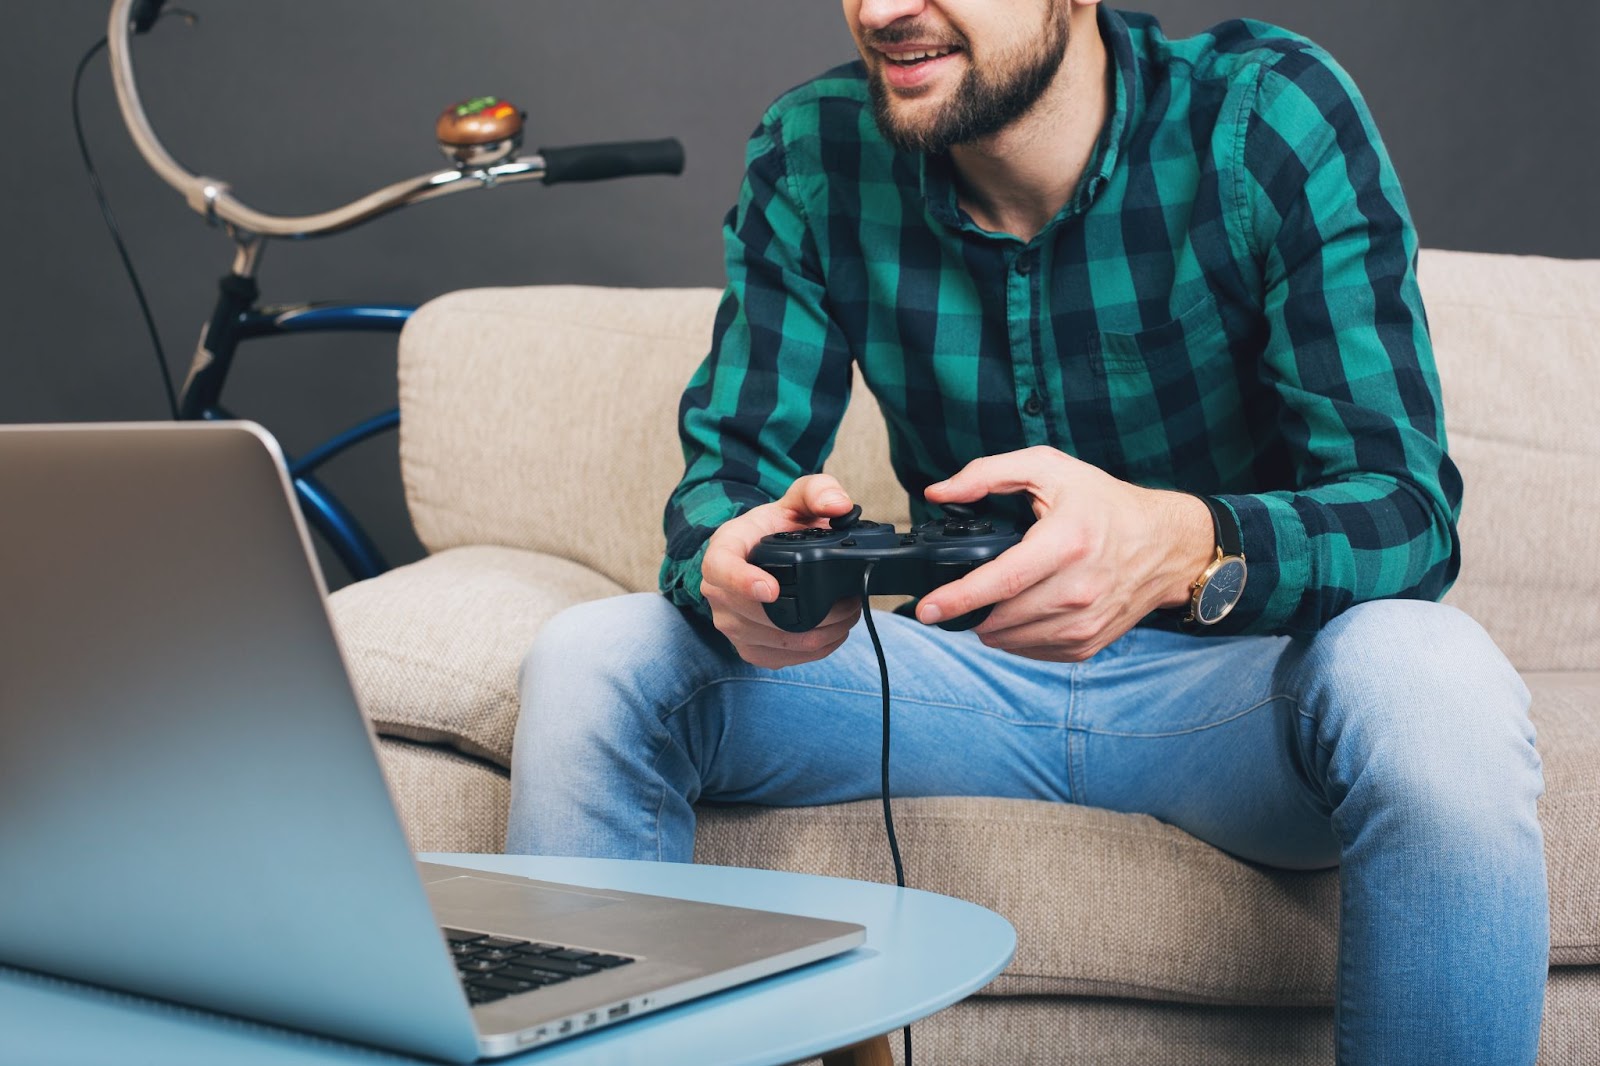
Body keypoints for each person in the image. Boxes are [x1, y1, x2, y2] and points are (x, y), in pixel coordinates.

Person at [509, 2, 1548, 1062]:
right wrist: (729, 557)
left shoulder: (1263, 114)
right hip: (963, 683)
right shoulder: (813, 150)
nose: (881, 10)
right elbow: (726, 484)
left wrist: (1176, 543)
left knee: (1432, 672)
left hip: (1242, 699)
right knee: (596, 657)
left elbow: (1404, 510)